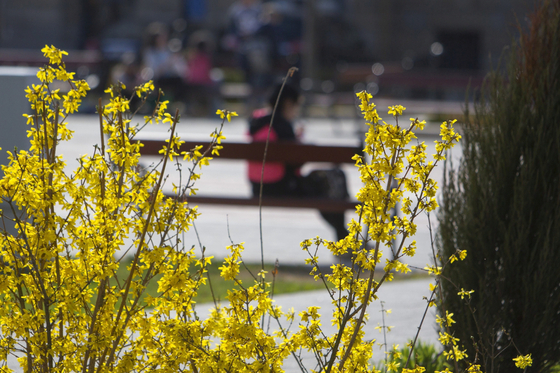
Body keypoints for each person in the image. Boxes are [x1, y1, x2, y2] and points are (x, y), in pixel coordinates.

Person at [247, 83, 349, 242]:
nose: (296, 112)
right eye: (296, 107)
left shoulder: (257, 122)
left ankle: (344, 239)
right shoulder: (281, 124)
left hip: (257, 188)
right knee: (333, 178)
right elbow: (296, 163)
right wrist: (298, 142)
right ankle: (344, 240)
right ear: (288, 103)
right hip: (282, 188)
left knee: (323, 187)